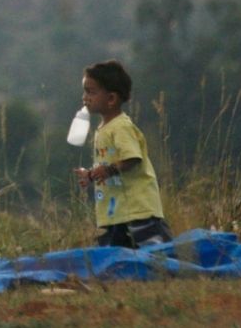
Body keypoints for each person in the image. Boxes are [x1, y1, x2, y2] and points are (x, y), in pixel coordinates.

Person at [74, 60, 173, 248]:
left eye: (91, 92)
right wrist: (90, 174)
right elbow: (106, 162)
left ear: (111, 99)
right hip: (116, 212)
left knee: (156, 251)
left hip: (137, 210)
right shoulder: (104, 129)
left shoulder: (121, 127)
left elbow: (132, 158)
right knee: (115, 253)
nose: (85, 97)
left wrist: (109, 170)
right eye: (85, 91)